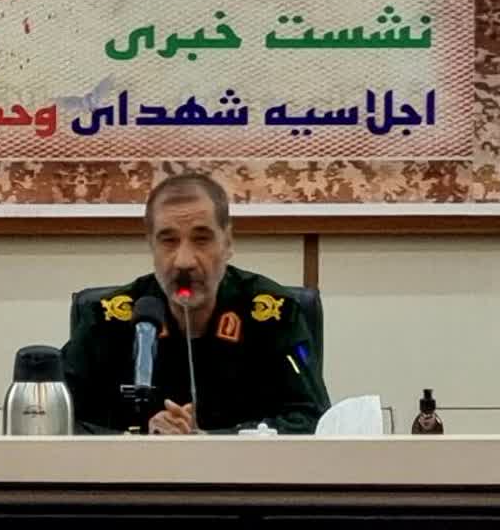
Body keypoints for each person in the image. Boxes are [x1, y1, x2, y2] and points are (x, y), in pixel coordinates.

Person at [63, 173, 330, 434]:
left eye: (201, 239)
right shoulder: (109, 320)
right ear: (151, 245)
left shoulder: (271, 315)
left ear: (227, 242)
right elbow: (59, 420)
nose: (184, 261)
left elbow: (313, 419)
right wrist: (143, 441)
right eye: (169, 241)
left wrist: (212, 444)